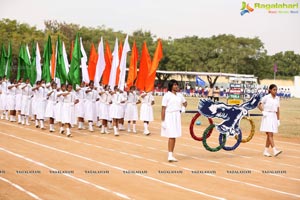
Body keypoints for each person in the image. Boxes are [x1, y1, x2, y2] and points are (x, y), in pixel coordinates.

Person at [161, 79, 187, 162]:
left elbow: (185, 103)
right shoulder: (167, 95)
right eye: (175, 85)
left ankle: (171, 154)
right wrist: (163, 121)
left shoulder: (180, 95)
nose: (176, 86)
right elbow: (163, 108)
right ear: (171, 86)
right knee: (171, 136)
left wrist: (183, 108)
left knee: (174, 135)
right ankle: (170, 155)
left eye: (177, 85)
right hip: (169, 116)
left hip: (177, 116)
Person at [258, 84, 282, 157]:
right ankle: (274, 150)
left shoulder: (277, 98)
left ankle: (266, 151)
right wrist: (263, 111)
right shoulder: (266, 97)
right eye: (274, 89)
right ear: (270, 90)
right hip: (267, 116)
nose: (275, 91)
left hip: (273, 116)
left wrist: (278, 119)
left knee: (270, 135)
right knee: (270, 134)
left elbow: (278, 109)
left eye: (276, 90)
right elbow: (259, 104)